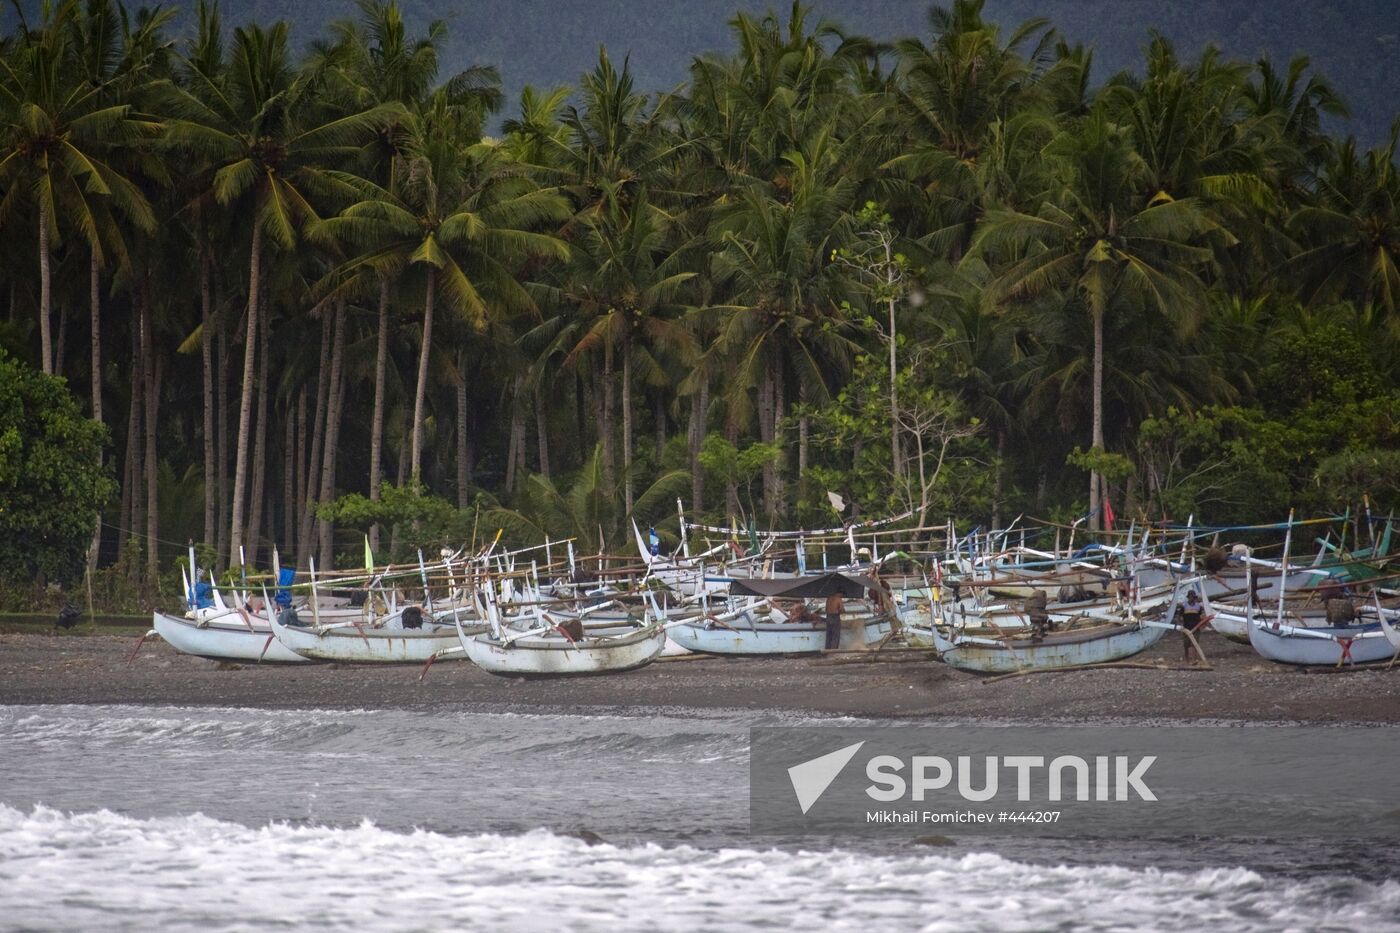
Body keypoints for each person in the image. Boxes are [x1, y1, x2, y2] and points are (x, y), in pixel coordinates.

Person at [1178, 590, 1208, 663]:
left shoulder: (1198, 607)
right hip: (1186, 627)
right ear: (1188, 597)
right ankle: (1187, 658)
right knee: (1186, 643)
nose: (1192, 599)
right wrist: (1180, 624)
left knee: (1195, 643)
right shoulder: (1184, 606)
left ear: (1194, 598)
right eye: (1190, 597)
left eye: (1193, 597)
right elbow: (1180, 616)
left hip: (1196, 627)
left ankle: (1194, 658)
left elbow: (1202, 616)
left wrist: (1202, 624)